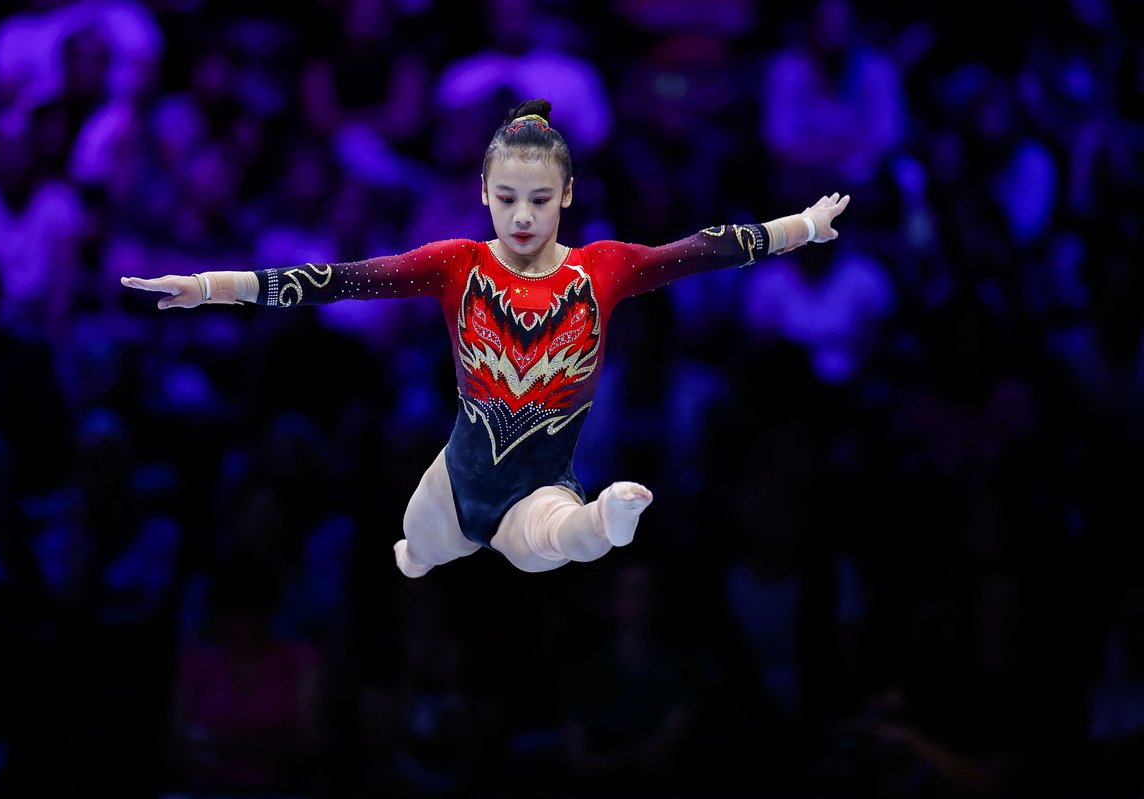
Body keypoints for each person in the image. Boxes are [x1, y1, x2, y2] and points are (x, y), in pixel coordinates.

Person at [121, 98, 850, 578]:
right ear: (483, 193)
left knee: (551, 537)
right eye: (506, 199)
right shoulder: (455, 264)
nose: (523, 216)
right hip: (455, 477)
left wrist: (803, 228)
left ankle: (606, 517)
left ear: (567, 195)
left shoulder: (603, 269)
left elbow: (700, 249)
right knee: (422, 546)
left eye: (540, 199)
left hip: (539, 482)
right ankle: (419, 555)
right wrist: (210, 287)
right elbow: (332, 279)